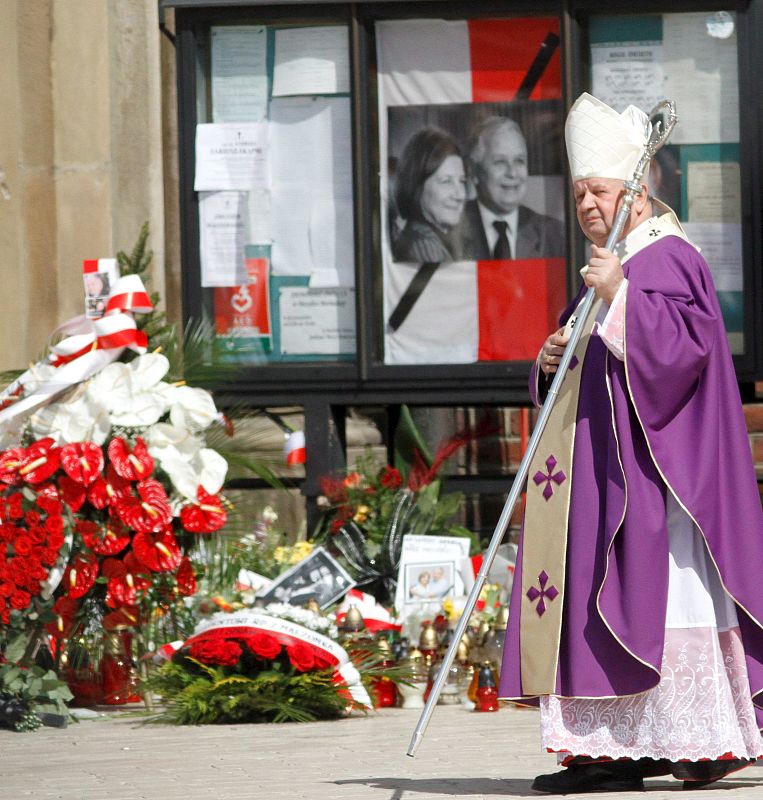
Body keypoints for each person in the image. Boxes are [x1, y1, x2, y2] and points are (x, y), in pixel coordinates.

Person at [498, 93, 763, 794]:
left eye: (601, 191)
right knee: (595, 604)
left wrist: (619, 298)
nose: (587, 203)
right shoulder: (610, 264)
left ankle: (697, 742)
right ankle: (610, 751)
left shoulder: (667, 258)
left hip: (657, 483)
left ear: (637, 193)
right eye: (580, 192)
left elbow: (681, 355)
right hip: (599, 479)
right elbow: (587, 370)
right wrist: (553, 356)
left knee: (662, 602)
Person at [462, 116, 564, 261]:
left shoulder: (555, 235)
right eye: (500, 162)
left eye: (519, 161)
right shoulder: (450, 229)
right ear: (474, 171)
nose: (512, 173)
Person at [392, 128, 466, 263]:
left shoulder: (438, 239)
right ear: (417, 186)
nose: (460, 195)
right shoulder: (424, 248)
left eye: (462, 181)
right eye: (446, 181)